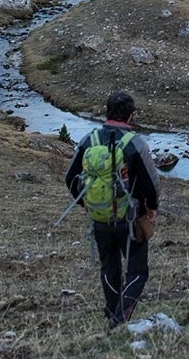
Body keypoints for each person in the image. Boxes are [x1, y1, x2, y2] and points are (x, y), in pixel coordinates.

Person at [64, 91, 160, 327]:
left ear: (107, 111)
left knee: (110, 267)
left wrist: (86, 204)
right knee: (138, 272)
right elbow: (151, 184)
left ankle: (112, 315)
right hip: (130, 219)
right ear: (130, 116)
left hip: (100, 218)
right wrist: (151, 208)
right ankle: (119, 320)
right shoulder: (135, 143)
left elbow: (70, 177)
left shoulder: (89, 140)